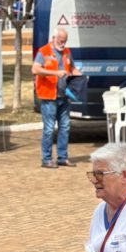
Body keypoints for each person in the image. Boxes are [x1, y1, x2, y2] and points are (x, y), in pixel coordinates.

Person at [32, 27, 78, 168]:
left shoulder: (67, 52)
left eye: (65, 41)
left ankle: (62, 158)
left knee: (65, 127)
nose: (63, 44)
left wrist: (80, 75)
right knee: (49, 128)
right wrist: (55, 73)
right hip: (48, 96)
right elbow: (35, 69)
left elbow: (72, 69)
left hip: (64, 96)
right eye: (61, 41)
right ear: (54, 38)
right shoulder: (43, 51)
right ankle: (46, 159)